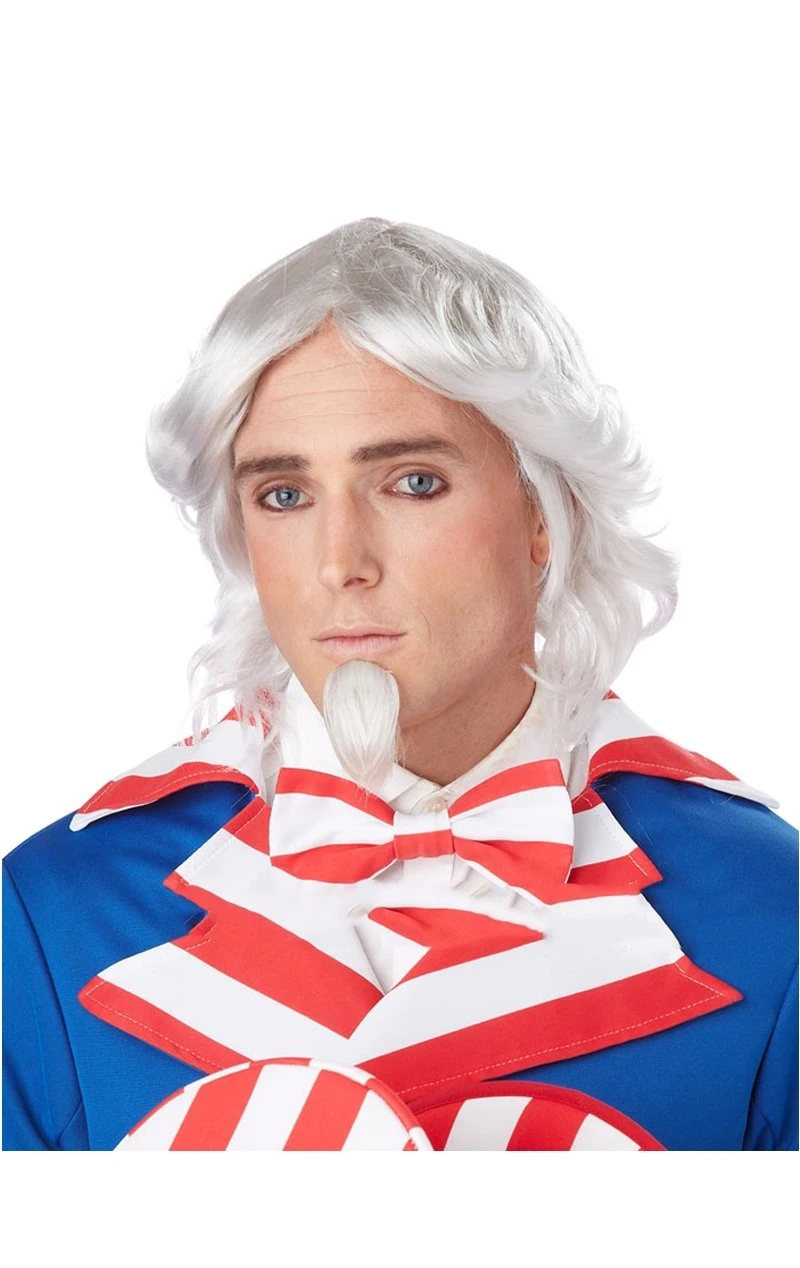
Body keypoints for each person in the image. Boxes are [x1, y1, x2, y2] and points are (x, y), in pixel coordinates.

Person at [3, 217, 797, 1151]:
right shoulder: (52, 916)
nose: (340, 563)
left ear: (547, 513)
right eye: (285, 495)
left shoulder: (770, 914)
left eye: (413, 483)